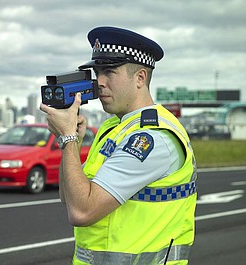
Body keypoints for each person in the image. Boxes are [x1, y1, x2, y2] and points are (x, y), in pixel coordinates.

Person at [40, 26, 197, 265]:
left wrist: (68, 138)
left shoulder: (151, 138)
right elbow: (69, 197)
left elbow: (81, 212)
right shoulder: (113, 126)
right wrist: (70, 141)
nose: (99, 82)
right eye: (97, 73)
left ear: (140, 78)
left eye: (109, 72)